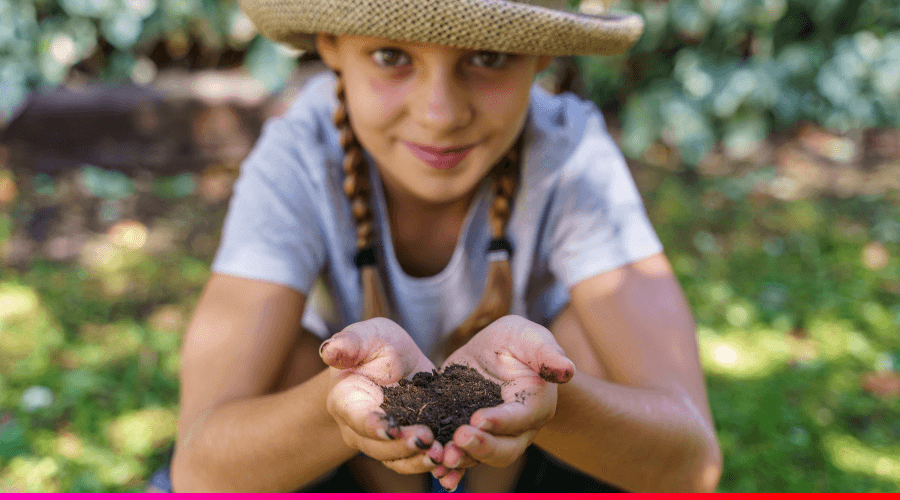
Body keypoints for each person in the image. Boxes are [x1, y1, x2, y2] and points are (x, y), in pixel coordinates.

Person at [162, 0, 723, 492]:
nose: (440, 114)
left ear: (541, 57)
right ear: (331, 47)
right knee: (291, 359)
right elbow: (200, 472)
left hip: (533, 470)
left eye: (489, 57)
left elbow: (692, 464)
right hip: (347, 473)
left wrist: (549, 400)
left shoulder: (570, 155)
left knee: (583, 348)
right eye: (390, 56)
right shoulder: (300, 156)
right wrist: (338, 399)